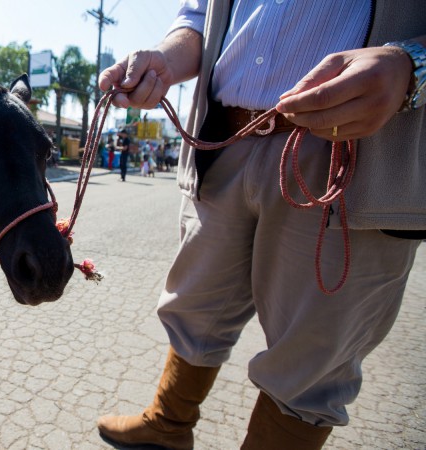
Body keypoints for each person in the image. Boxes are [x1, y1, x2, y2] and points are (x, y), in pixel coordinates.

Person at [96, 2, 425, 449]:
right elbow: (198, 19)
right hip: (224, 139)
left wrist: (413, 65)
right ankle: (167, 423)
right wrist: (165, 61)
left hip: (354, 152)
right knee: (195, 304)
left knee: (313, 357)